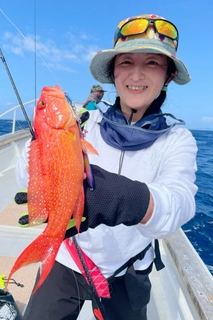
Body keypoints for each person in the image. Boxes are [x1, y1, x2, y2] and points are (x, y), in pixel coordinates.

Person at [15, 13, 198, 320]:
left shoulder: (177, 140)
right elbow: (24, 177)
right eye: (126, 62)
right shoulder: (84, 122)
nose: (136, 75)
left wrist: (132, 200)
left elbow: (180, 203)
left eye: (152, 63)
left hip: (126, 271)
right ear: (113, 72)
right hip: (67, 258)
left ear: (167, 75)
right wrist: (41, 145)